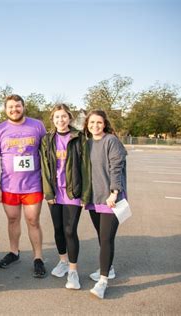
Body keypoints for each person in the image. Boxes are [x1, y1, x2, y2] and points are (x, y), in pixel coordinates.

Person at [0, 94, 47, 278]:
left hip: (33, 185)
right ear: (5, 110)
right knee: (12, 220)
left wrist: (49, 184)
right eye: (10, 107)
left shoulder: (37, 125)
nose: (14, 109)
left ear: (23, 107)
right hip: (9, 186)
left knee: (33, 221)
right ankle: (14, 252)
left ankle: (38, 258)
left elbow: (46, 154)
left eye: (18, 106)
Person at [40, 104, 90, 289]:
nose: (60, 120)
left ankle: (73, 271)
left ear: (69, 117)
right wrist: (48, 192)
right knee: (58, 229)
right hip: (55, 192)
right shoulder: (47, 139)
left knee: (70, 230)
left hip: (72, 191)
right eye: (57, 117)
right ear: (52, 119)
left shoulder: (79, 138)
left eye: (63, 117)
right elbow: (45, 167)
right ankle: (62, 261)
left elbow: (86, 167)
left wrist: (85, 194)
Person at [83, 109, 127, 299]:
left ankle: (102, 281)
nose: (95, 126)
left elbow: (116, 167)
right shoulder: (87, 143)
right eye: (91, 122)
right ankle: (109, 269)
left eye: (99, 122)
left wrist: (114, 192)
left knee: (107, 239)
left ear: (105, 123)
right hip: (94, 198)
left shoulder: (111, 141)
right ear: (87, 124)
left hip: (110, 199)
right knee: (102, 238)